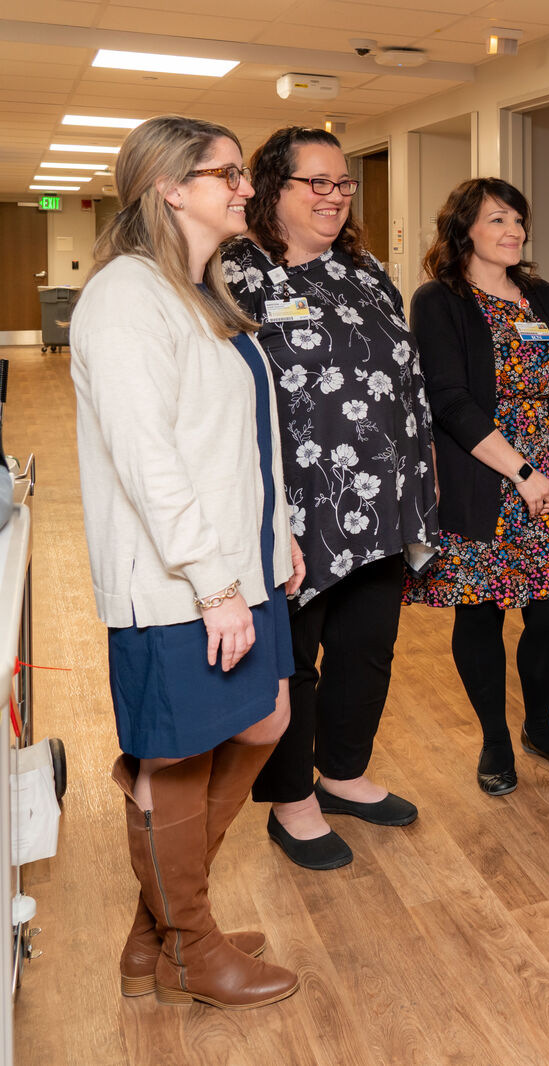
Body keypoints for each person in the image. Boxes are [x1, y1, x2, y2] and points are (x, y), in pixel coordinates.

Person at [70, 115, 301, 1008]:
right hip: (178, 581)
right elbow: (147, 458)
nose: (246, 187)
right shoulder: (125, 297)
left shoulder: (202, 290)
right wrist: (213, 583)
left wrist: (276, 533)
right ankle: (188, 948)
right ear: (170, 187)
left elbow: (239, 440)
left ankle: (160, 932)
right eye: (227, 173)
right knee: (176, 757)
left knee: (265, 720)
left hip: (239, 562)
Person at [223, 125, 438, 871]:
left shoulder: (366, 270)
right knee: (296, 661)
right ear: (271, 188)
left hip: (382, 499)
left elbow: (406, 379)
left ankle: (343, 773)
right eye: (315, 182)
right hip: (297, 508)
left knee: (367, 648)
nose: (334, 196)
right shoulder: (237, 272)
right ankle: (292, 801)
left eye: (342, 183)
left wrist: (422, 472)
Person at [407, 178, 549, 795]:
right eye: (497, 220)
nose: (514, 231)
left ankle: (539, 725)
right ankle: (495, 738)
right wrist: (523, 473)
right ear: (464, 229)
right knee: (481, 615)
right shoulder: (439, 300)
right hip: (483, 479)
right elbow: (450, 402)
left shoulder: (541, 296)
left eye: (517, 220)